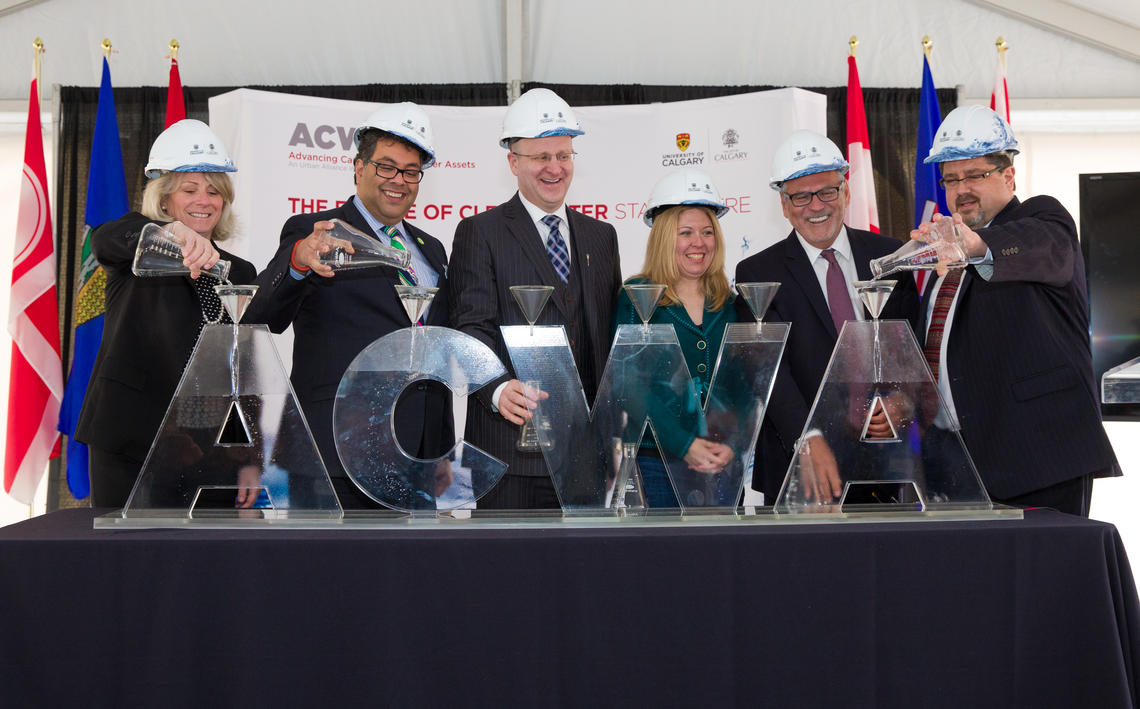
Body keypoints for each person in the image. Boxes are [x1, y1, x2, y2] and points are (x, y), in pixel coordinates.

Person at [243, 103, 452, 509]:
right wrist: (299, 260)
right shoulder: (314, 231)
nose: (399, 181)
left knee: (413, 573)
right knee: (326, 574)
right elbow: (261, 316)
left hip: (416, 454)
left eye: (411, 171)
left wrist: (439, 445)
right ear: (359, 168)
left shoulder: (433, 250)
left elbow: (435, 352)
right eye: (387, 167)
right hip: (331, 450)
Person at [914, 105, 1118, 516]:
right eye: (951, 179)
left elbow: (1044, 248)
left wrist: (976, 246)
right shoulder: (944, 251)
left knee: (1044, 579)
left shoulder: (1042, 219)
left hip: (1039, 457)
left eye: (974, 175)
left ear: (1008, 176)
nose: (960, 189)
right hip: (955, 464)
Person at [449, 88, 622, 509]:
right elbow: (470, 325)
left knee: (583, 573)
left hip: (587, 453)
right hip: (507, 455)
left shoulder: (602, 238)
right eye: (541, 157)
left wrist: (616, 431)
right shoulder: (480, 232)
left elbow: (606, 340)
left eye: (563, 155)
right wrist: (495, 388)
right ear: (513, 161)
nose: (555, 168)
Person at [75, 119, 258, 508]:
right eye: (188, 190)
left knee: (204, 567)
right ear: (164, 200)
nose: (203, 201)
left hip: (212, 449)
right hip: (131, 440)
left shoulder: (240, 272)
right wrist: (170, 234)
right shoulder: (140, 245)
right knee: (129, 564)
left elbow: (246, 371)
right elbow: (106, 238)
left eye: (214, 192)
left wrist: (248, 458)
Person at [734, 130, 920, 504]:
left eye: (827, 191)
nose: (815, 205)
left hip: (884, 461)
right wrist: (808, 439)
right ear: (784, 206)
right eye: (800, 196)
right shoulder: (756, 271)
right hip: (800, 467)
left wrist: (902, 400)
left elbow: (911, 346)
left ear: (846, 192)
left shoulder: (890, 256)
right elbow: (768, 370)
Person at [612, 169, 737, 507]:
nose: (699, 242)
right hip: (655, 462)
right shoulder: (637, 296)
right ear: (666, 237)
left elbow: (740, 384)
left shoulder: (728, 301)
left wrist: (733, 445)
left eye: (707, 232)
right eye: (686, 232)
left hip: (721, 461)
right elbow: (628, 387)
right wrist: (684, 444)